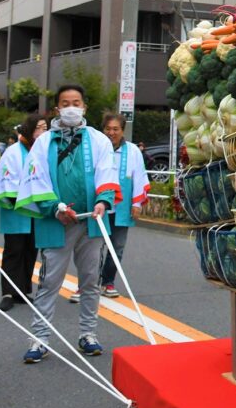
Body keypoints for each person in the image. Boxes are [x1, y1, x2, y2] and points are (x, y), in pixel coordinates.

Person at [14, 85, 119, 363]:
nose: (71, 107)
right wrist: (54, 208)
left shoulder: (98, 140)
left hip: (91, 221)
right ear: (57, 108)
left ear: (84, 107)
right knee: (49, 281)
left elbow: (107, 172)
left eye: (76, 102)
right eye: (65, 103)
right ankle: (39, 338)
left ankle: (88, 334)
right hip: (56, 221)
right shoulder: (44, 142)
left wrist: (103, 201)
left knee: (90, 281)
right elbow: (35, 178)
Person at [0, 115, 47, 311]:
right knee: (14, 251)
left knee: (30, 251)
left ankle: (22, 290)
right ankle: (7, 293)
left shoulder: (40, 151)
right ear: (30, 129)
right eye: (40, 127)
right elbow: (7, 181)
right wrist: (22, 201)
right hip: (16, 210)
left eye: (45, 127)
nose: (44, 131)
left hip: (35, 210)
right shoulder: (13, 152)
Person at [98, 112, 149, 298]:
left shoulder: (133, 151)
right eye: (108, 129)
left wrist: (137, 203)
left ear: (122, 130)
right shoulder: (97, 148)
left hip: (122, 207)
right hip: (99, 206)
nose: (111, 133)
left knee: (117, 247)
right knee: (94, 247)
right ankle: (88, 283)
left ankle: (108, 282)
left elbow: (139, 176)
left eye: (116, 129)